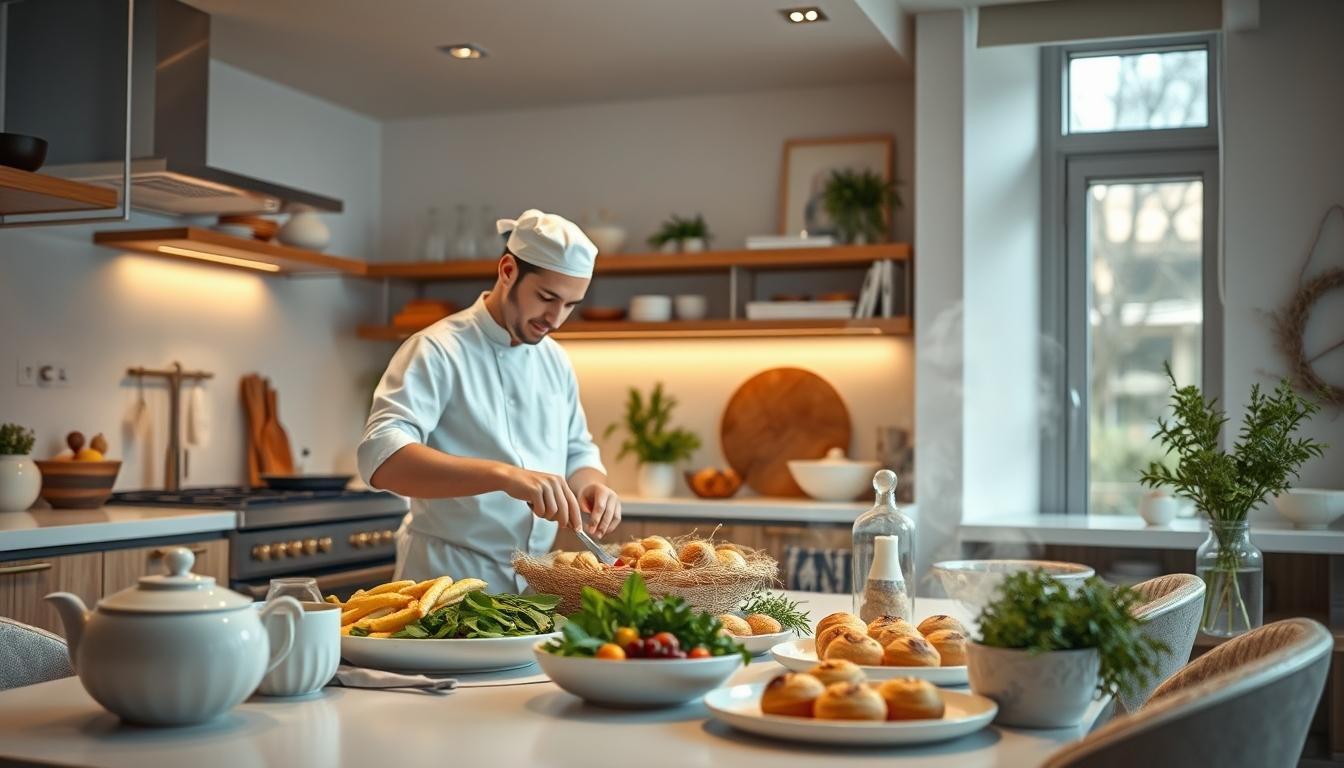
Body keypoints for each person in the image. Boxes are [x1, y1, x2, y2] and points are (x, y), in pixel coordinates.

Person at [357, 208, 621, 592]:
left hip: (532, 585)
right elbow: (380, 458)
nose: (556, 318)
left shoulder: (554, 359)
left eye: (570, 305)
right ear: (508, 271)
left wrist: (591, 486)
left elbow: (578, 450)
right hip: (443, 579)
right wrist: (503, 476)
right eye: (547, 297)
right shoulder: (436, 349)